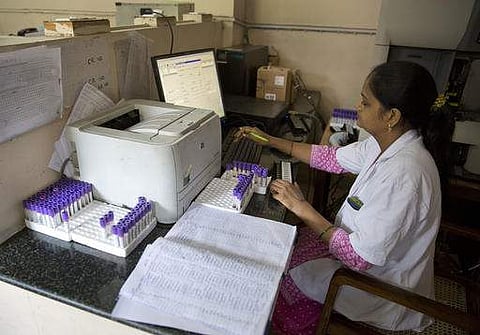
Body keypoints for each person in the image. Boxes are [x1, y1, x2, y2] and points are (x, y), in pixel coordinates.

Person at [236, 61, 454, 334]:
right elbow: (332, 158)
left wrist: (302, 207)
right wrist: (272, 141)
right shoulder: (387, 143)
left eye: (365, 102)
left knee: (281, 269)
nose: (357, 106)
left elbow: (358, 258)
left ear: (392, 116)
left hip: (379, 288)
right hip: (366, 263)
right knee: (290, 243)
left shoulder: (405, 175)